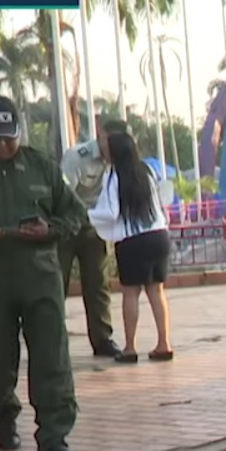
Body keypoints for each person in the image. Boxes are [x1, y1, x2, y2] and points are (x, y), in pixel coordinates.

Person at [0, 97, 86, 451]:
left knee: (50, 356)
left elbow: (74, 214)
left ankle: (54, 434)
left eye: (9, 138)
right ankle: (3, 415)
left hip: (39, 272)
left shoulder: (41, 166)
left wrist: (49, 230)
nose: (3, 147)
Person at [87, 128, 173, 363]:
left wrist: (88, 214)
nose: (104, 153)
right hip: (158, 235)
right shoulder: (146, 171)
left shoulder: (114, 175)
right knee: (156, 291)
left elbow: (111, 211)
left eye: (106, 150)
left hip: (133, 241)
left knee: (131, 293)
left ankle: (130, 348)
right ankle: (164, 344)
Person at [58, 116, 122, 359]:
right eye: (110, 143)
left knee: (98, 284)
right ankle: (54, 339)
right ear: (101, 137)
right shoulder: (78, 157)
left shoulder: (119, 160)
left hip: (96, 229)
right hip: (67, 226)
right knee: (57, 283)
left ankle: (102, 339)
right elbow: (62, 195)